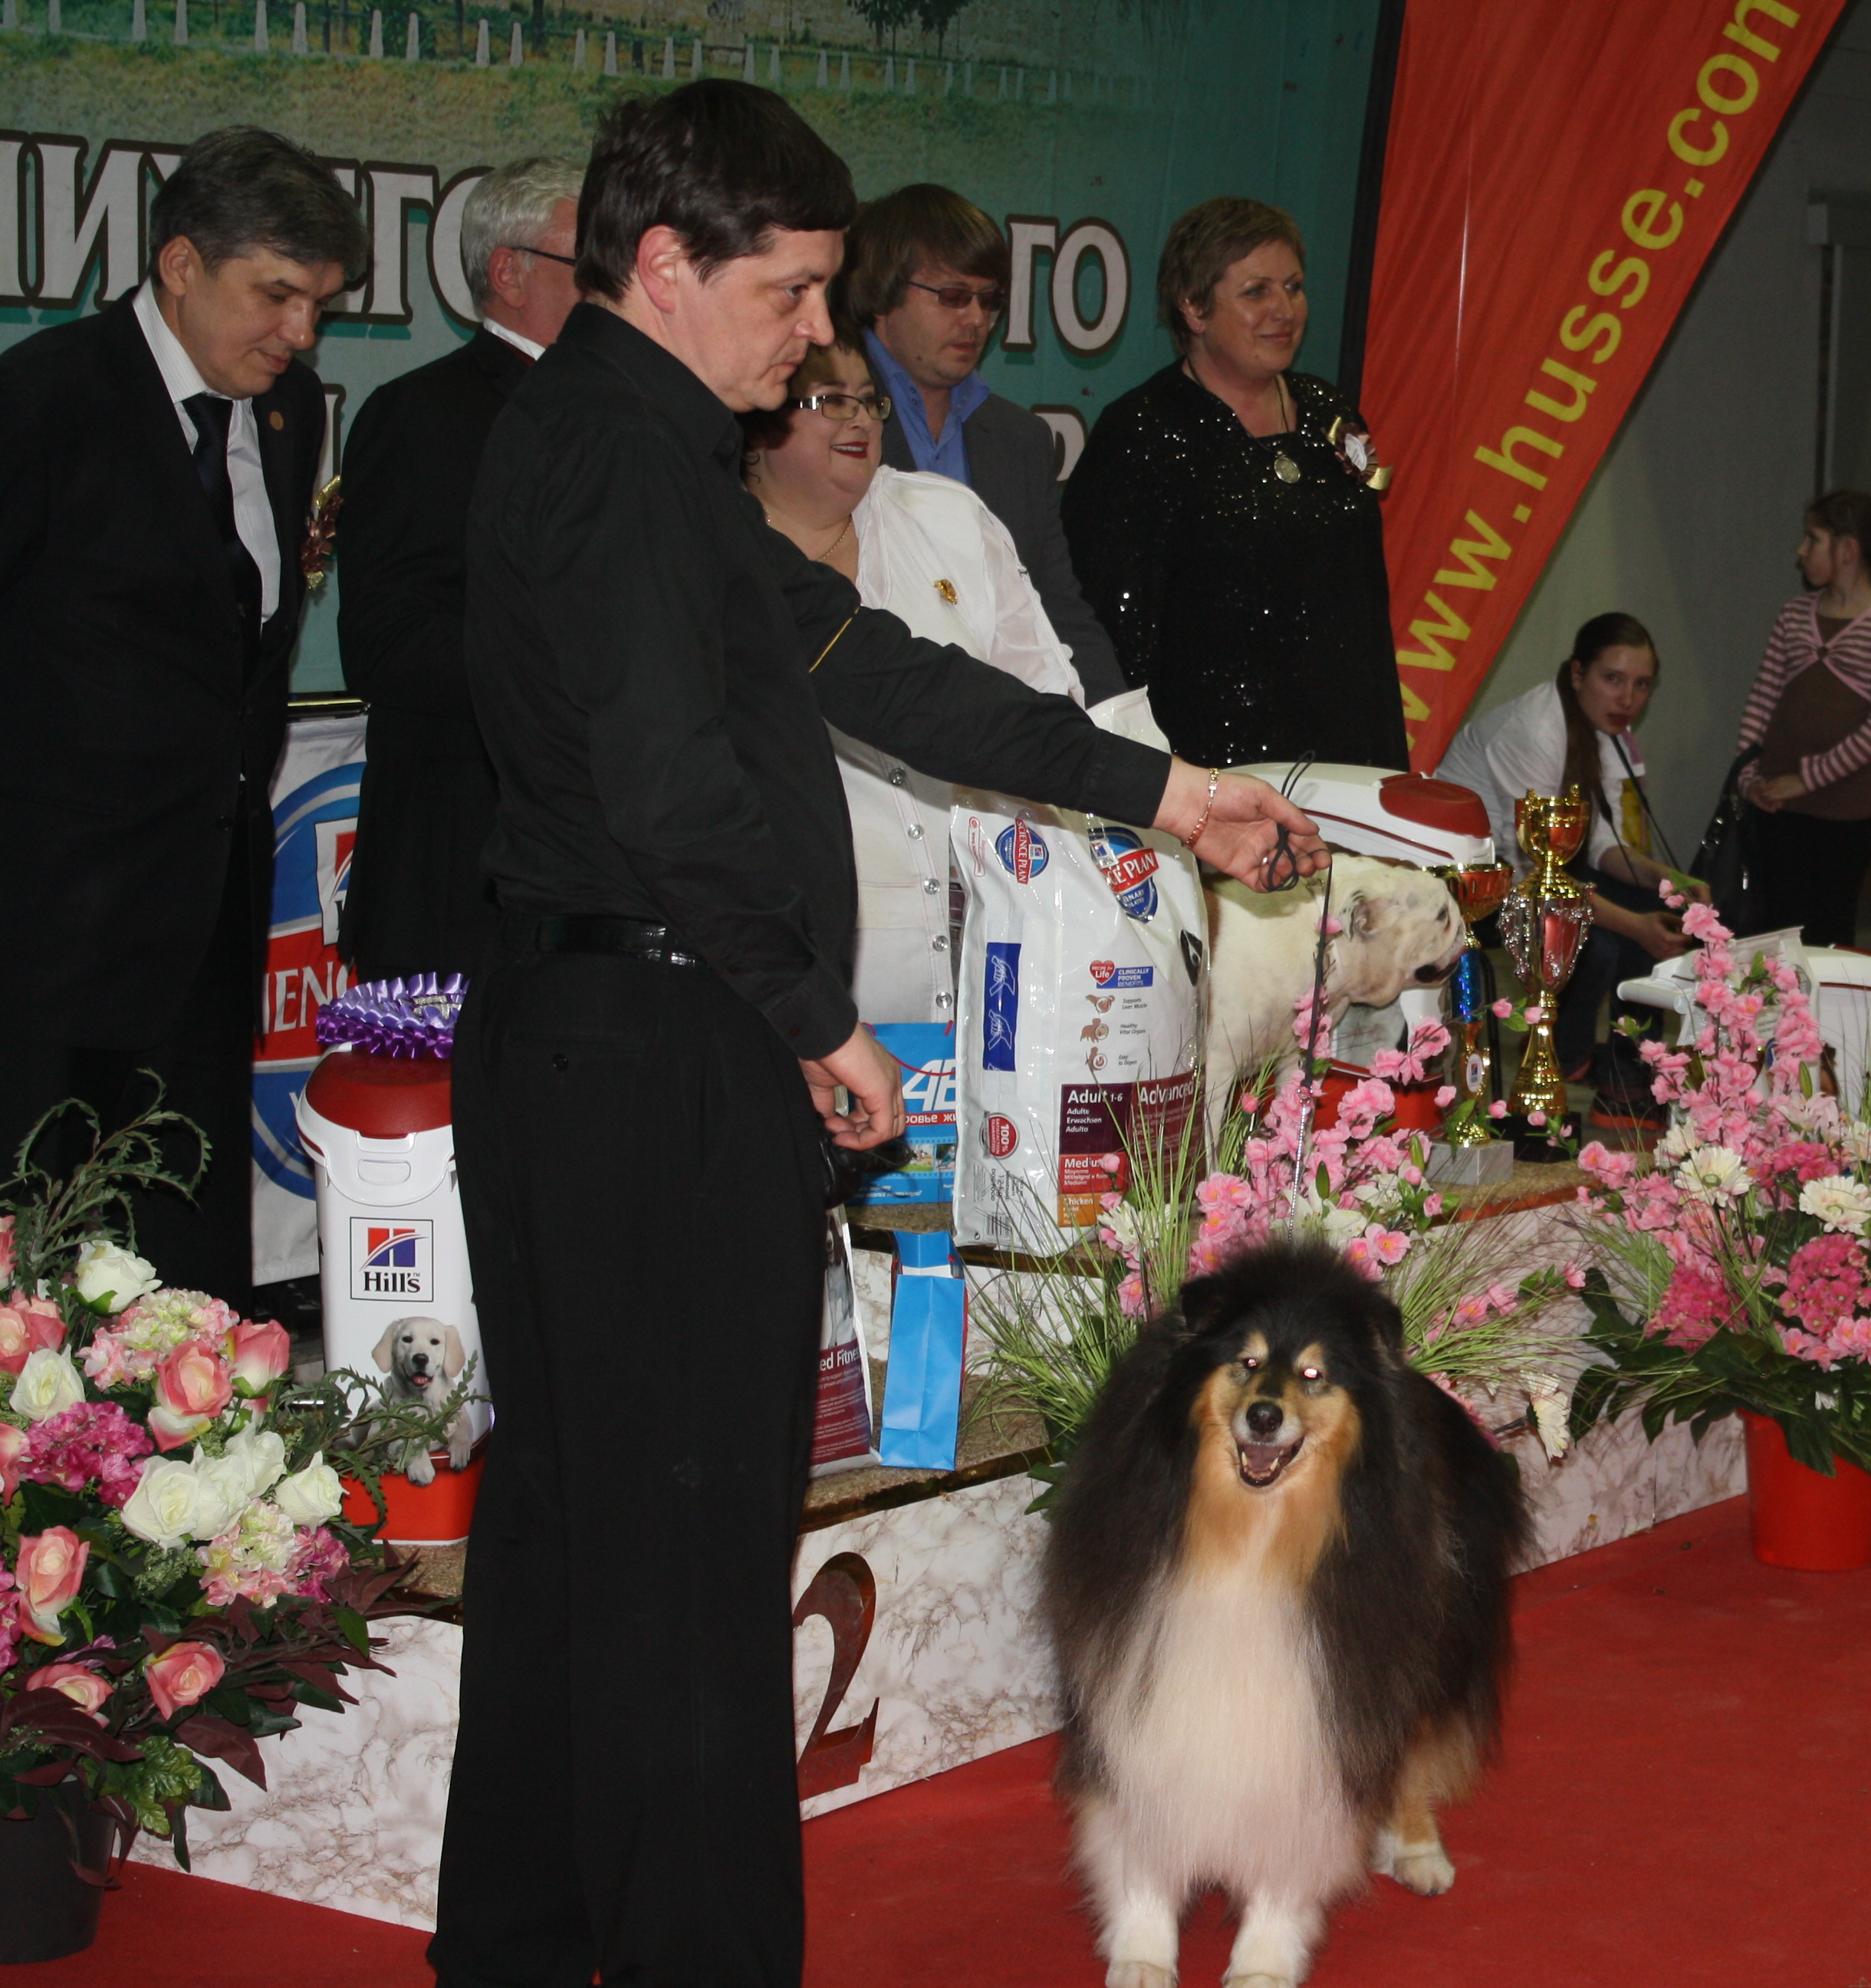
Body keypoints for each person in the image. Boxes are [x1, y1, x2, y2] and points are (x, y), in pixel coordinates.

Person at [435, 81, 1321, 1986]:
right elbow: (668, 788)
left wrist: (1167, 792)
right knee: (685, 1560)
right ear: (662, 263)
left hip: (613, 1029)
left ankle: (518, 1937)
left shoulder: (640, 446)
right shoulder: (611, 454)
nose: (813, 337)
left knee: (582, 1531)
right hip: (653, 1033)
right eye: (789, 293)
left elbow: (877, 669)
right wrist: (815, 1012)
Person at [0, 127, 364, 1306]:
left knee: (182, 1255)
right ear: (179, 266)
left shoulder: (289, 409)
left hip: (208, 914)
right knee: (38, 1261)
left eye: (319, 305)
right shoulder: (45, 398)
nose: (300, 332)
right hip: (47, 927)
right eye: (277, 295)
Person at [741, 332, 1090, 1025]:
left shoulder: (945, 516)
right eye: (831, 401)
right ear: (756, 425)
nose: (861, 421)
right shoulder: (714, 549)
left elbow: (1051, 705)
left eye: (870, 402)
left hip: (993, 958)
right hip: (803, 969)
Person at [340, 156, 587, 984]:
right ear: (509, 273)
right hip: (457, 871)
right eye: (591, 263)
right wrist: (580, 661)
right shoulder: (421, 415)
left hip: (596, 874)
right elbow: (386, 643)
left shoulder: (637, 420)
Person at [1062, 196, 1405, 769]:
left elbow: (1366, 607)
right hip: (1208, 767)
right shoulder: (1141, 431)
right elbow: (1109, 632)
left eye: (1293, 287)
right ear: (1194, 308)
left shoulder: (1328, 411)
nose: (1284, 310)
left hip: (1346, 754)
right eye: (1256, 292)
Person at [844, 183, 1121, 702]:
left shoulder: (1020, 438)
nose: (975, 319)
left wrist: (1115, 726)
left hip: (1003, 726)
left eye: (989, 301)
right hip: (869, 713)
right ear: (883, 292)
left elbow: (1057, 607)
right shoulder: (826, 416)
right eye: (952, 296)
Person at [1436, 613, 1685, 1131]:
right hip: (1473, 885)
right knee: (1609, 939)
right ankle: (1571, 1056)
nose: (1628, 699)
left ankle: (1622, 1075)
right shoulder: (1533, 731)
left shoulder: (1605, 729)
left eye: (1642, 685)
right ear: (1577, 674)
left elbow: (1601, 844)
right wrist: (1636, 924)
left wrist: (1670, 881)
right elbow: (1534, 868)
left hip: (1537, 870)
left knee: (1657, 908)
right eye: (1613, 679)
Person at [1734, 489, 1871, 950]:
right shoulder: (1794, 614)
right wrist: (1748, 776)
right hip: (1778, 801)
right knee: (1779, 925)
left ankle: (1826, 1002)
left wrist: (1806, 779)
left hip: (1847, 808)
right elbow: (1762, 700)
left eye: (1812, 539)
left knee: (1830, 928)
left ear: (1848, 550)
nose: (1801, 550)